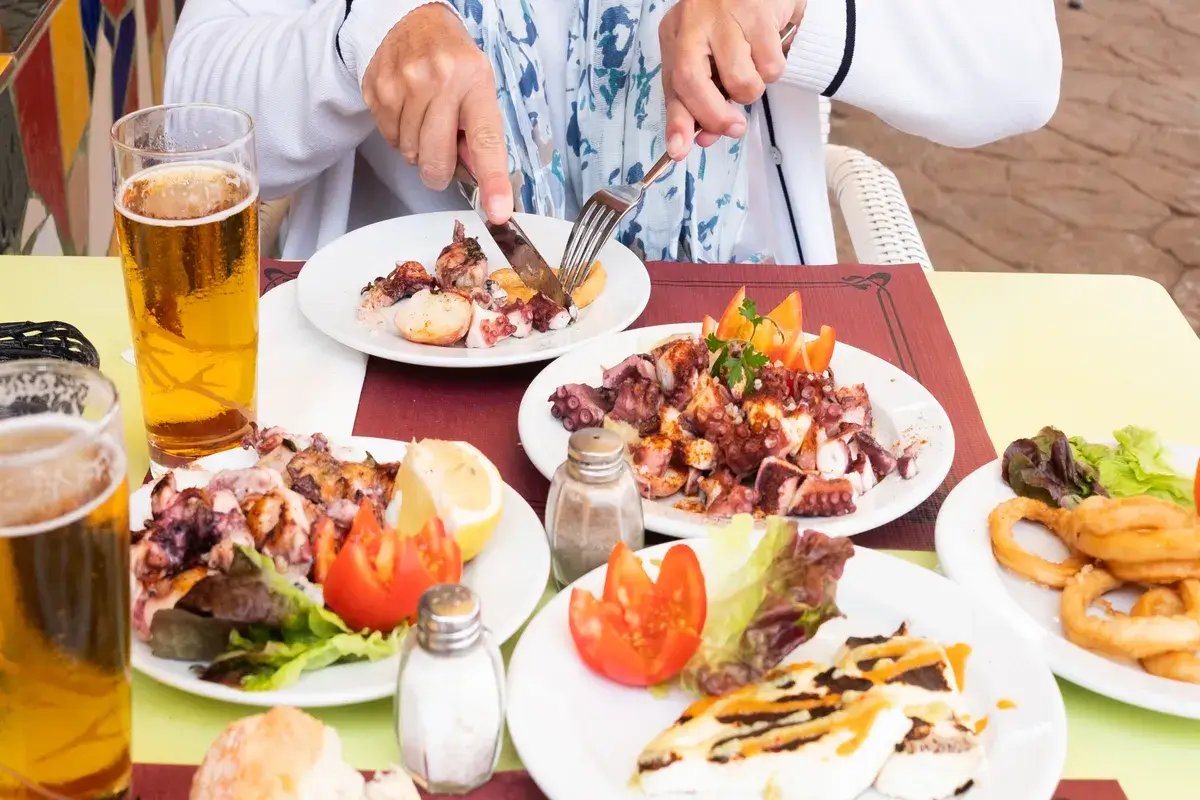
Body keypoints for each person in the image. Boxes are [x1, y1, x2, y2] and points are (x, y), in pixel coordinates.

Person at [164, 0, 1061, 265]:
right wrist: (361, 41)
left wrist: (788, 12)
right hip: (403, 371)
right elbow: (186, 121)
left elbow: (1021, 67)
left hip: (739, 362)